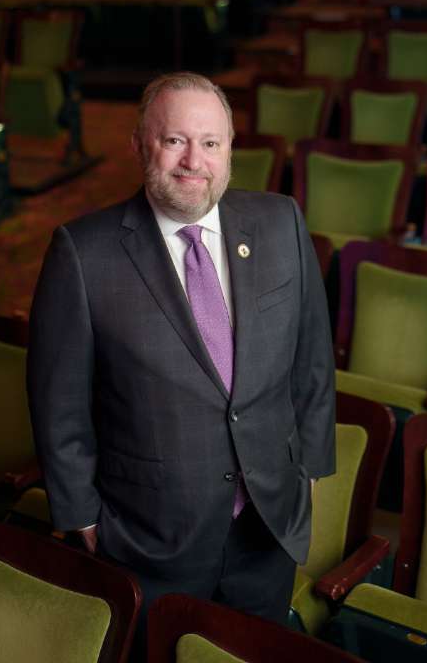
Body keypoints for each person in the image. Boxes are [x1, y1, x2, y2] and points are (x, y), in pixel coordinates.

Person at [27, 72, 336, 661]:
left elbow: (313, 358)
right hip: (148, 537)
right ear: (141, 144)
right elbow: (58, 405)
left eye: (211, 143)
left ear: (230, 149)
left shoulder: (280, 222)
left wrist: (311, 470)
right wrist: (82, 516)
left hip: (267, 523)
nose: (194, 160)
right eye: (174, 141)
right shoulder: (82, 252)